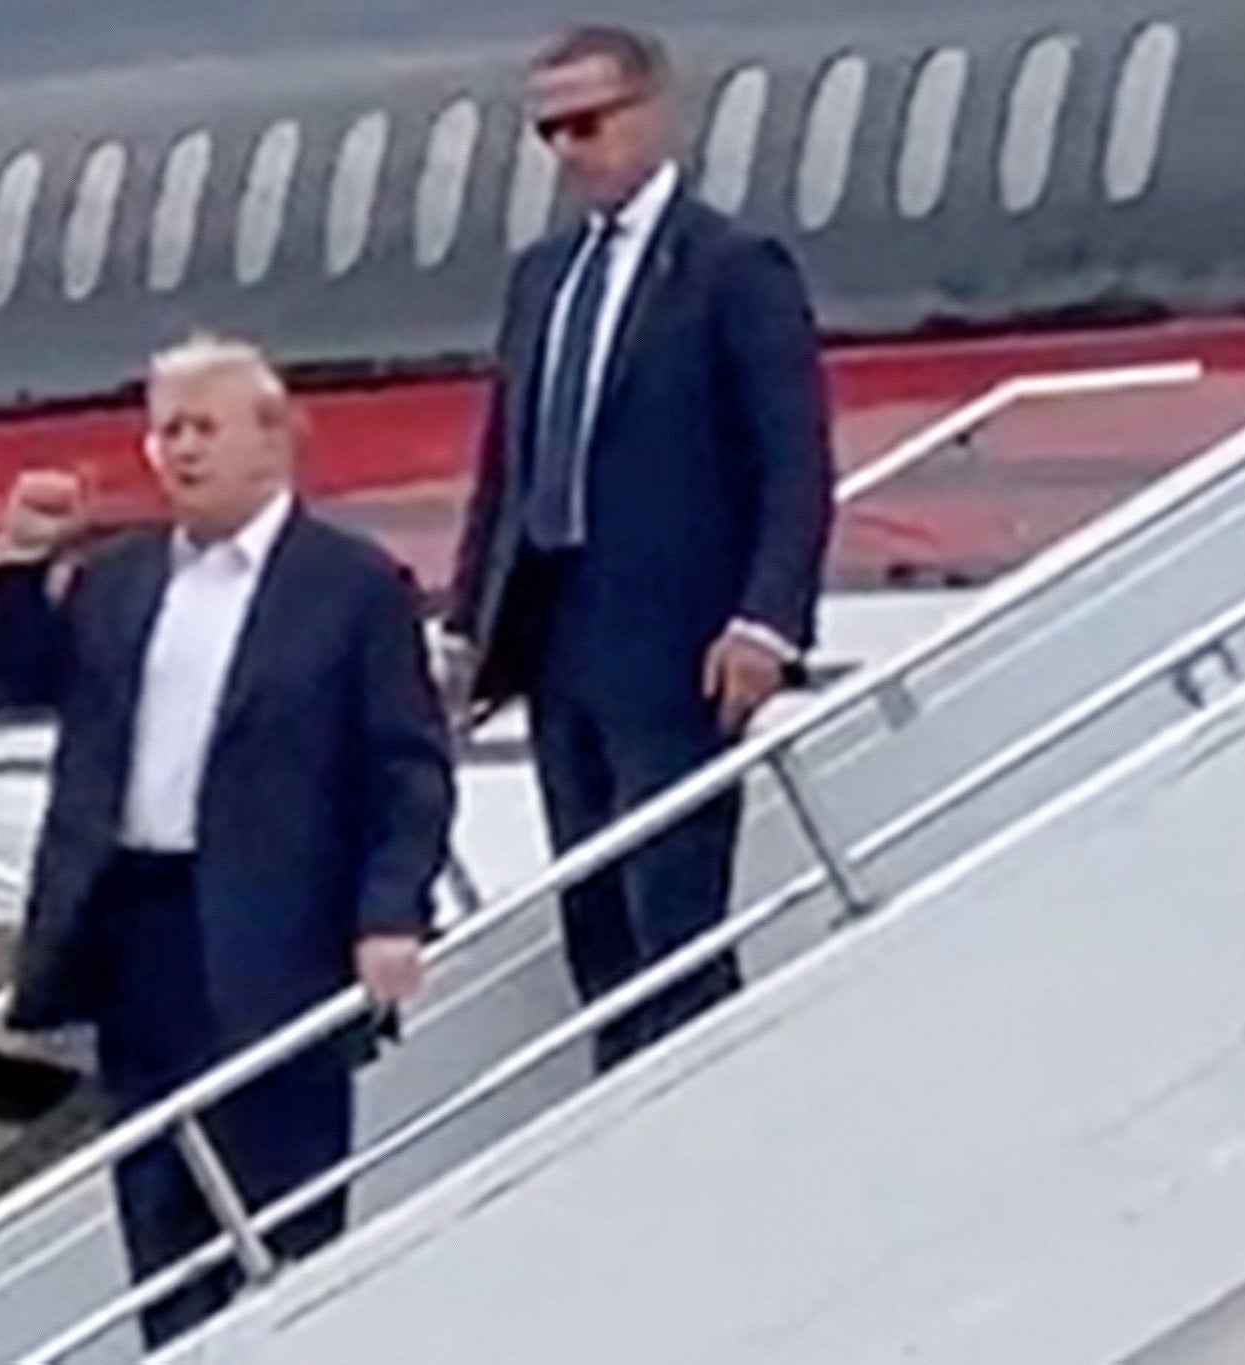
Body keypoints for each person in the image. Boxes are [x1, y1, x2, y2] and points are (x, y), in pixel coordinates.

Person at [0, 334, 453, 1347]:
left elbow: (406, 769)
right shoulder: (120, 579)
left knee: (284, 1216)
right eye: (165, 431)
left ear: (272, 441)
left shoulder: (351, 587)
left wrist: (390, 911)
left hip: (281, 939)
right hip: (140, 929)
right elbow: (16, 688)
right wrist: (14, 564)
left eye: (202, 428)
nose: (179, 450)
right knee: (158, 1216)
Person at [445, 25, 834, 1071]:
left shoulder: (729, 270)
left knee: (674, 902)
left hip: (675, 639)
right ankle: (621, 1090)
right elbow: (509, 464)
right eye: (547, 132)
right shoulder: (544, 279)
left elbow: (792, 458)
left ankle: (700, 1098)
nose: (569, 148)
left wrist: (766, 617)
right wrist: (467, 626)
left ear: (652, 113)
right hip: (556, 632)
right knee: (595, 908)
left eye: (587, 121)